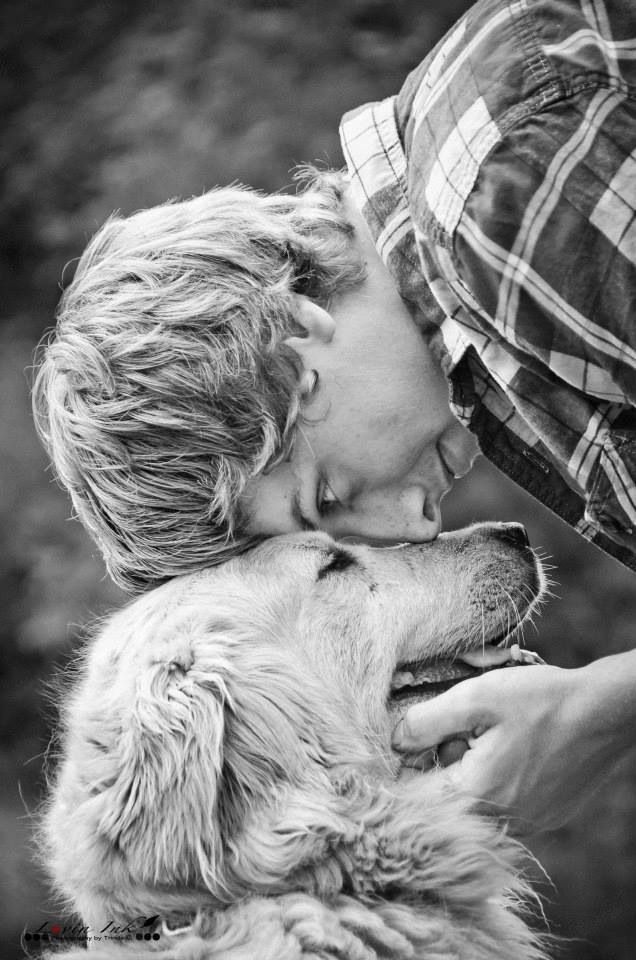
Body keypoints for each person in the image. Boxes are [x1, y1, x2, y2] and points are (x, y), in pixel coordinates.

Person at [32, 0, 636, 834]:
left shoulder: (507, 216)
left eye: (328, 496)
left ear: (293, 342)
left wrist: (607, 708)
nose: (413, 526)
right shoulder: (494, 331)